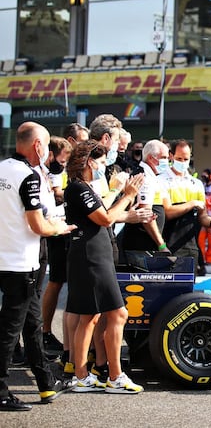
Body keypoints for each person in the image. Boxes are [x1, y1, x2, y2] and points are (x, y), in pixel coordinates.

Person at [0, 122, 75, 411]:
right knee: (10, 328)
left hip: (8, 258)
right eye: (44, 144)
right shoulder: (28, 176)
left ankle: (45, 382)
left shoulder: (3, 168)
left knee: (32, 324)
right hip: (21, 262)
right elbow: (37, 225)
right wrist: (59, 227)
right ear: (37, 146)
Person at [65, 140, 145, 393]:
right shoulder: (79, 188)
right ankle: (112, 375)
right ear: (89, 162)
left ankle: (85, 375)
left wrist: (125, 206)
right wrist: (128, 195)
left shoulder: (83, 187)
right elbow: (105, 217)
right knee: (116, 314)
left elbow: (106, 214)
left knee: (90, 317)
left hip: (94, 253)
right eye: (100, 162)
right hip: (91, 255)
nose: (103, 166)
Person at [160, 140, 211, 276]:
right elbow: (168, 212)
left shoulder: (196, 183)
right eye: (179, 158)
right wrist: (191, 203)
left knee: (189, 290)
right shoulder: (161, 180)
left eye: (186, 159)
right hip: (168, 245)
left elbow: (202, 215)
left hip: (191, 245)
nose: (182, 162)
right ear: (171, 156)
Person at [41, 136, 73, 355]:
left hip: (60, 228)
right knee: (54, 282)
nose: (63, 166)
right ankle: (42, 333)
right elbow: (56, 196)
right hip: (52, 233)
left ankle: (42, 335)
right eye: (61, 162)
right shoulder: (45, 173)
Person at [120, 139, 170, 254]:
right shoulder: (144, 177)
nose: (167, 161)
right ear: (151, 158)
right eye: (163, 158)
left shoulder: (151, 176)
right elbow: (145, 213)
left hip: (146, 242)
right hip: (141, 244)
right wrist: (161, 245)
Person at [197, 168, 211, 264]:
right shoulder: (202, 186)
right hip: (203, 215)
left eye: (205, 175)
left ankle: (210, 259)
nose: (203, 177)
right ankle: (201, 259)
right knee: (200, 239)